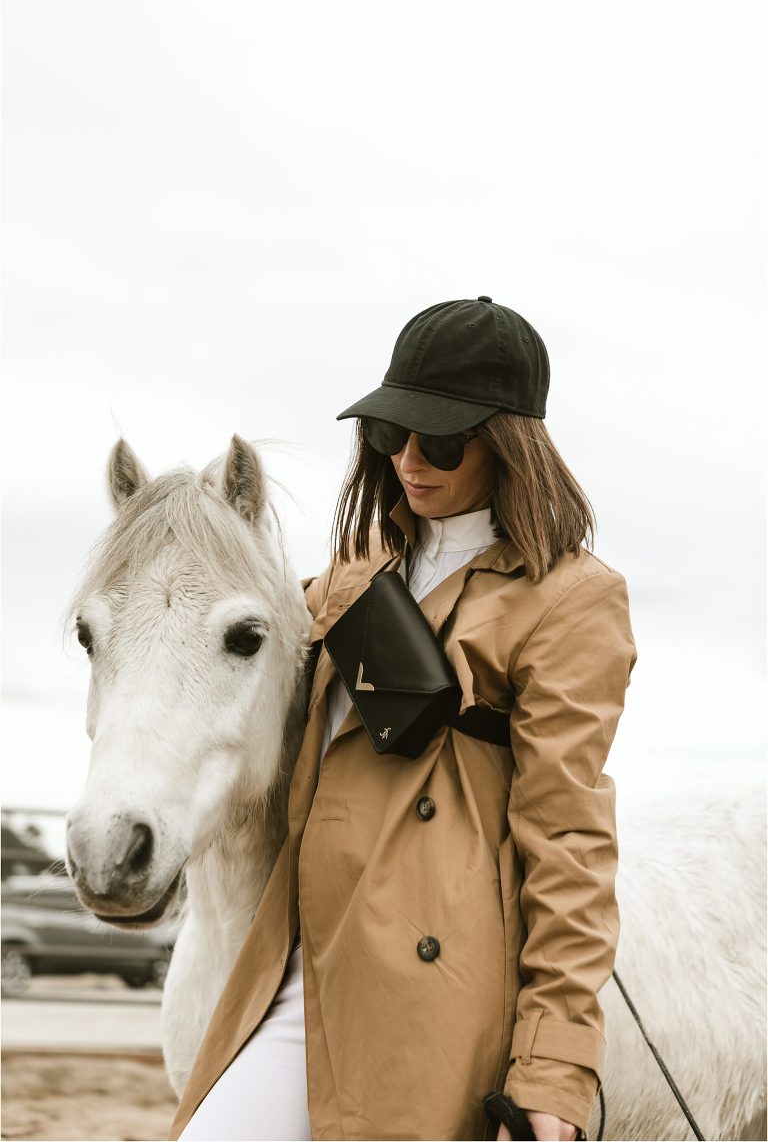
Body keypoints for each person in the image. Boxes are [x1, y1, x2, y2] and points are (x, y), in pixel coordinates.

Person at [172, 296, 636, 1142]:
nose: (410, 460)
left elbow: (569, 844)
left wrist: (554, 1072)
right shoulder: (354, 570)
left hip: (430, 984)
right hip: (301, 955)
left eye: (443, 440)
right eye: (391, 434)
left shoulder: (571, 600)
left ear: (510, 442)